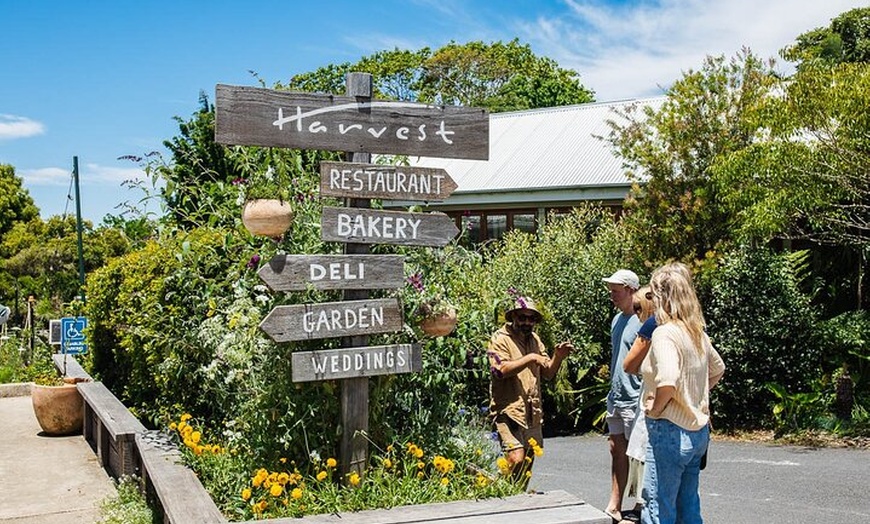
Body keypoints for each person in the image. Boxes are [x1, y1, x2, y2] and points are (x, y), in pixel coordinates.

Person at [641, 263, 725, 524]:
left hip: (669, 430)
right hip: (697, 432)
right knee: (688, 505)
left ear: (662, 296)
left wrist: (656, 410)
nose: (650, 301)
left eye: (652, 294)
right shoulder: (695, 332)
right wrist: (694, 395)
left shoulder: (664, 333)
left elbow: (667, 380)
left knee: (658, 506)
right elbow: (718, 369)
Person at [487, 296, 574, 484]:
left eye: (531, 318)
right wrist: (530, 358)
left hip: (532, 410)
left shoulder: (534, 339)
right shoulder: (500, 339)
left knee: (527, 460)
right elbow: (499, 371)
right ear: (513, 317)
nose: (527, 322)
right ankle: (500, 492)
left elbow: (548, 373)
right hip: (508, 410)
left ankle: (518, 497)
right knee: (515, 457)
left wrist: (557, 357)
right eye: (522, 317)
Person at [602, 269, 642, 523]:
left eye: (616, 291)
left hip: (635, 396)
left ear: (630, 290)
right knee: (616, 449)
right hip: (616, 396)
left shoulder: (645, 320)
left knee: (638, 454)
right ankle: (615, 504)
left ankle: (640, 505)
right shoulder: (617, 320)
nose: (612, 296)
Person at [622, 286, 656, 521]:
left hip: (654, 405)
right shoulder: (692, 326)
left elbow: (629, 365)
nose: (636, 314)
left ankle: (641, 506)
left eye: (638, 308)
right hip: (688, 416)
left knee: (647, 458)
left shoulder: (652, 325)